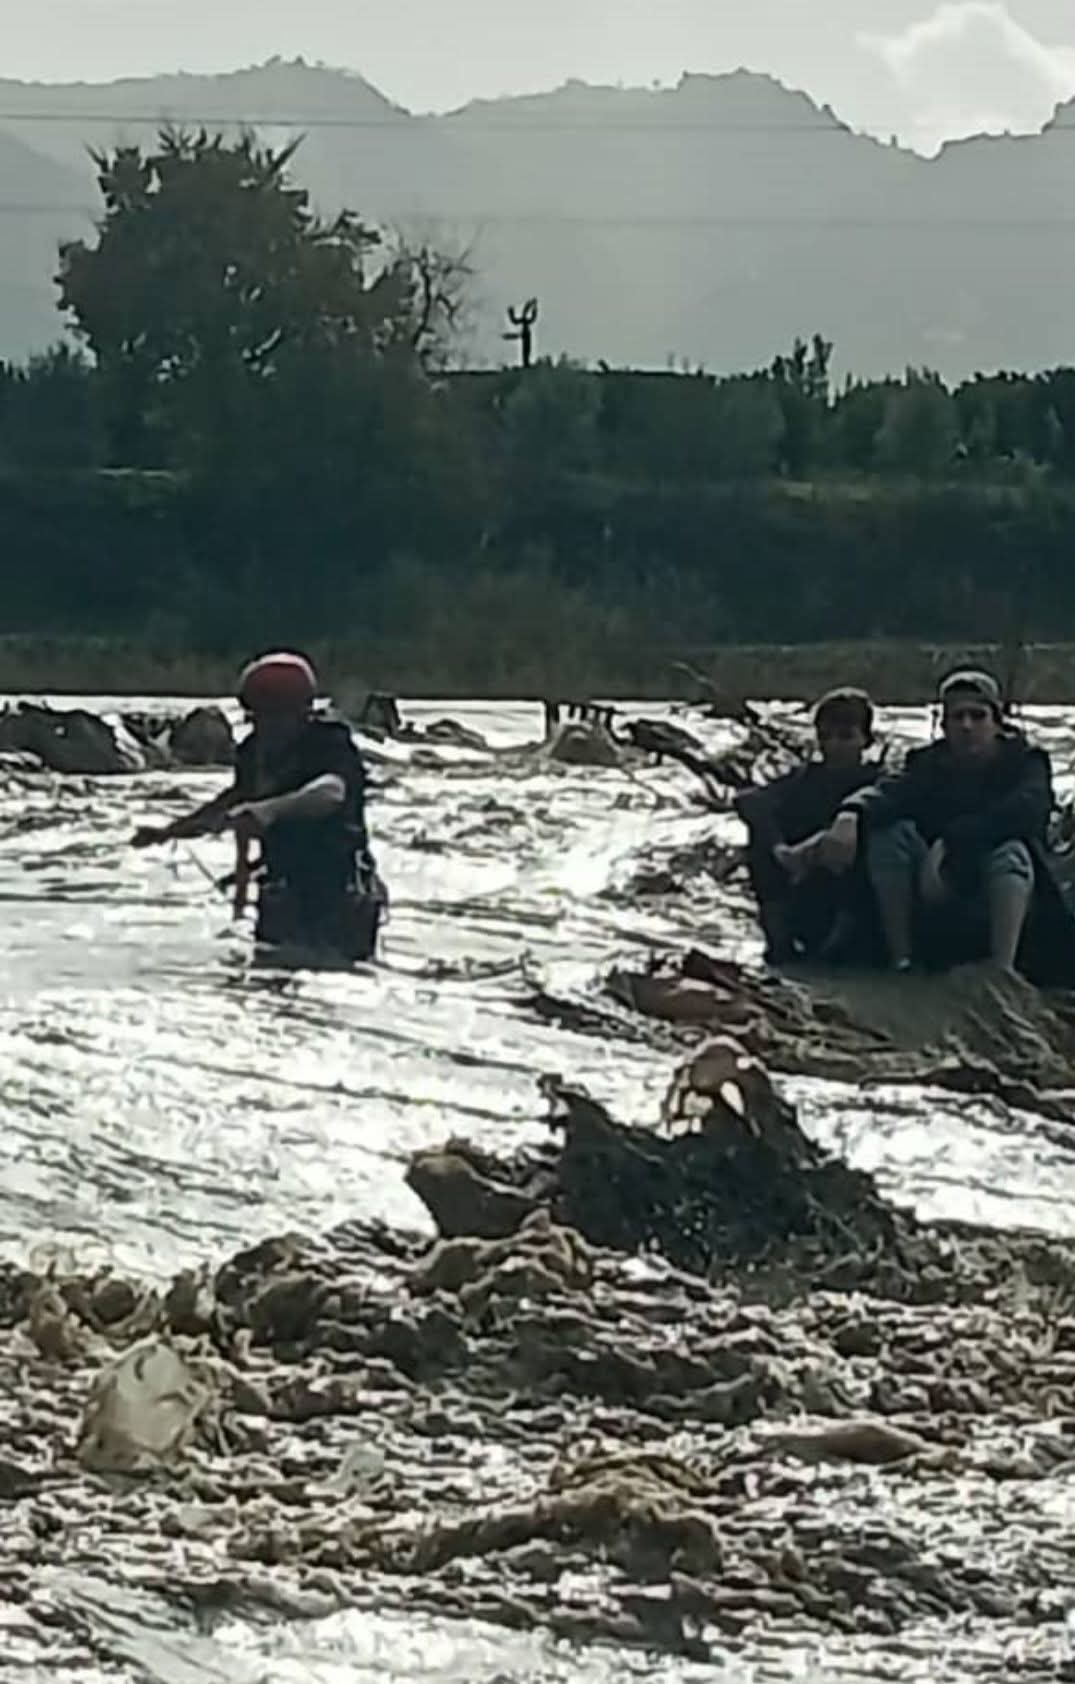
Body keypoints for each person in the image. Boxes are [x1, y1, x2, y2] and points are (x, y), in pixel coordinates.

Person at [821, 668, 1075, 982]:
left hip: (1010, 895)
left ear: (997, 723)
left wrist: (952, 842)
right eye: (957, 717)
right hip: (938, 886)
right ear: (944, 726)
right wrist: (850, 813)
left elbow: (1027, 811)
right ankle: (903, 960)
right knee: (890, 838)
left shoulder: (1025, 762)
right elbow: (889, 792)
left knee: (1010, 853)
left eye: (977, 716)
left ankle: (1002, 971)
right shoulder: (928, 762)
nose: (967, 726)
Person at [132, 651, 385, 963]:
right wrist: (169, 832)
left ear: (299, 712)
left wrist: (269, 810)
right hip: (282, 894)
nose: (265, 727)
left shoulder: (329, 744)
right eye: (257, 717)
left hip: (338, 893)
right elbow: (233, 802)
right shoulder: (253, 751)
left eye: (272, 716)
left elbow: (331, 792)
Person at [735, 687, 880, 965]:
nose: (834, 745)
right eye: (826, 737)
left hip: (856, 897)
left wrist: (825, 843)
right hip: (804, 884)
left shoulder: (877, 780)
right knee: (760, 837)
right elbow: (750, 801)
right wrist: (781, 849)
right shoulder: (805, 779)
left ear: (866, 740)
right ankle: (779, 941)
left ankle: (837, 947)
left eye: (845, 737)